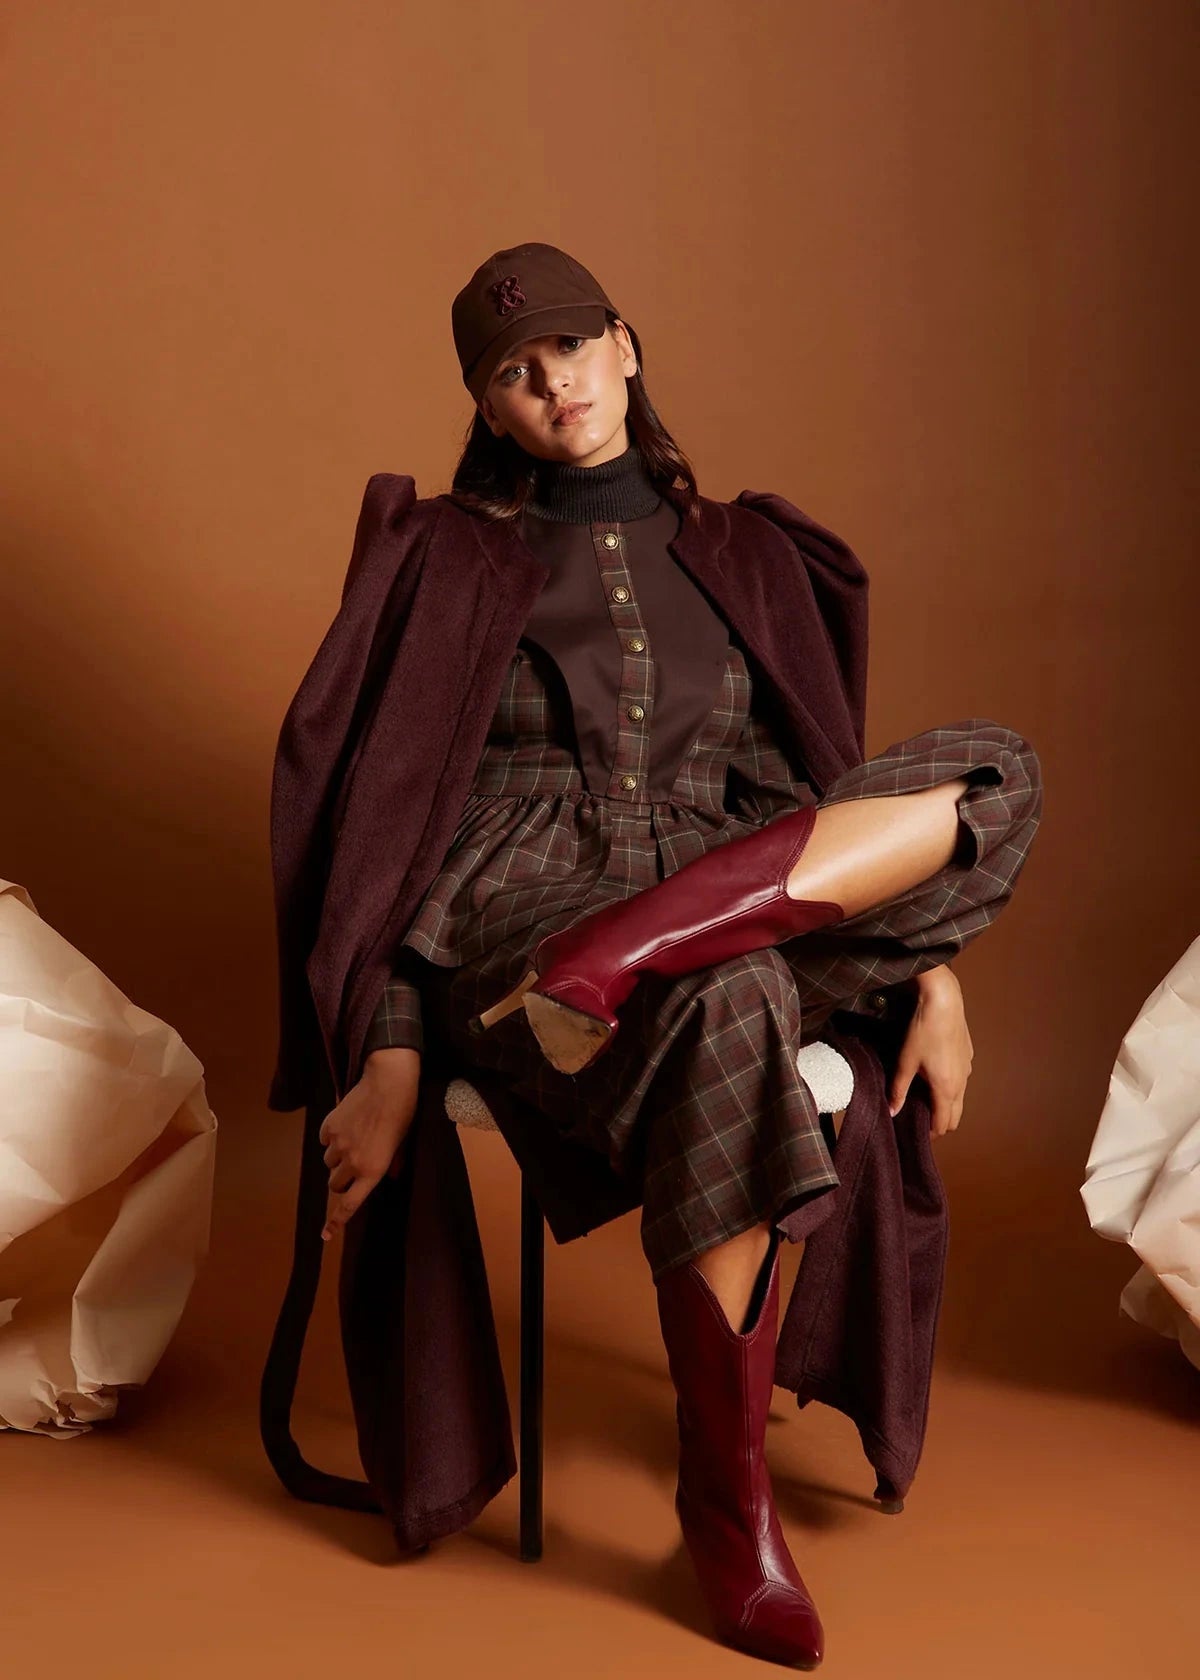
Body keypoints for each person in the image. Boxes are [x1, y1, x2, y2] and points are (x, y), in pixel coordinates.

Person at [287, 242, 1043, 1669]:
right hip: (518, 907)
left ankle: (632, 954)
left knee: (998, 770)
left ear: (626, 346)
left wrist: (928, 974)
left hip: (722, 894)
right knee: (737, 991)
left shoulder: (753, 551)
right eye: (514, 372)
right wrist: (389, 1053)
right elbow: (376, 829)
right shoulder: (444, 556)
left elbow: (818, 795)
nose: (554, 382)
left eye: (572, 347)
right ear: (488, 406)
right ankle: (728, 1507)